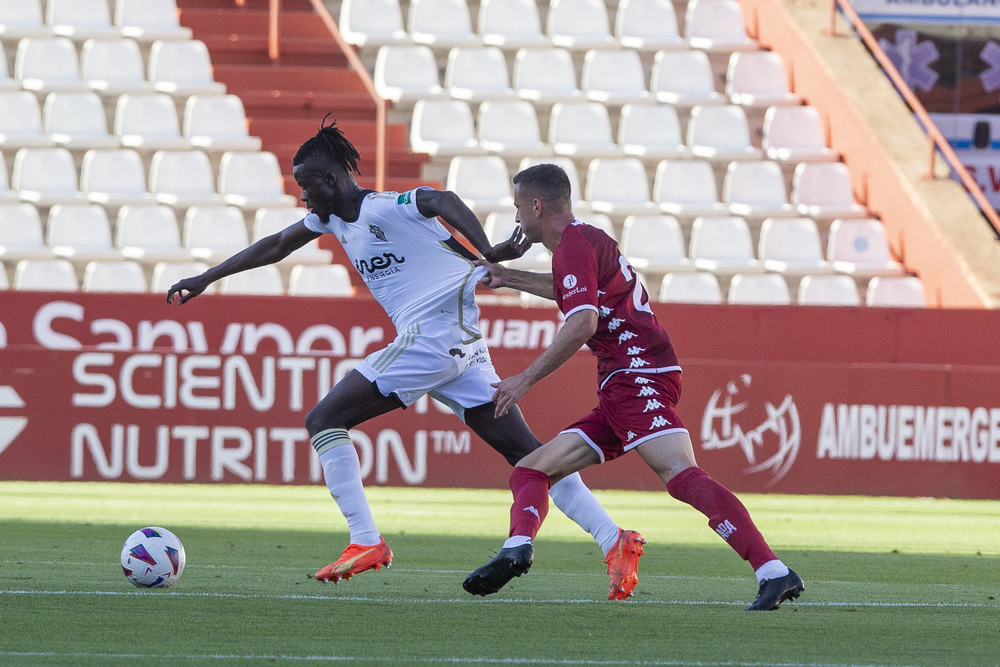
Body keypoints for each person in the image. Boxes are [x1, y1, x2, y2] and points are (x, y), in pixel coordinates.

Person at [166, 117, 644, 599]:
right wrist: (207, 277)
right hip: (459, 347)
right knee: (531, 458)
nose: (304, 198)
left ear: (332, 179)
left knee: (325, 419)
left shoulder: (382, 207)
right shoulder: (330, 219)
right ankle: (615, 540)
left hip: (433, 337)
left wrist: (486, 254)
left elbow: (441, 199)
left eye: (308, 187)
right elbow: (276, 244)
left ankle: (365, 540)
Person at [462, 163, 804, 611]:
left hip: (635, 374)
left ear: (535, 205)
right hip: (626, 381)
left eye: (517, 208)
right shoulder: (584, 241)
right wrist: (509, 277)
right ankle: (517, 548)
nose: (516, 219)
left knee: (680, 476)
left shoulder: (571, 246)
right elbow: (574, 293)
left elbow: (583, 320)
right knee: (531, 470)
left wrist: (525, 378)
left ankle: (772, 570)